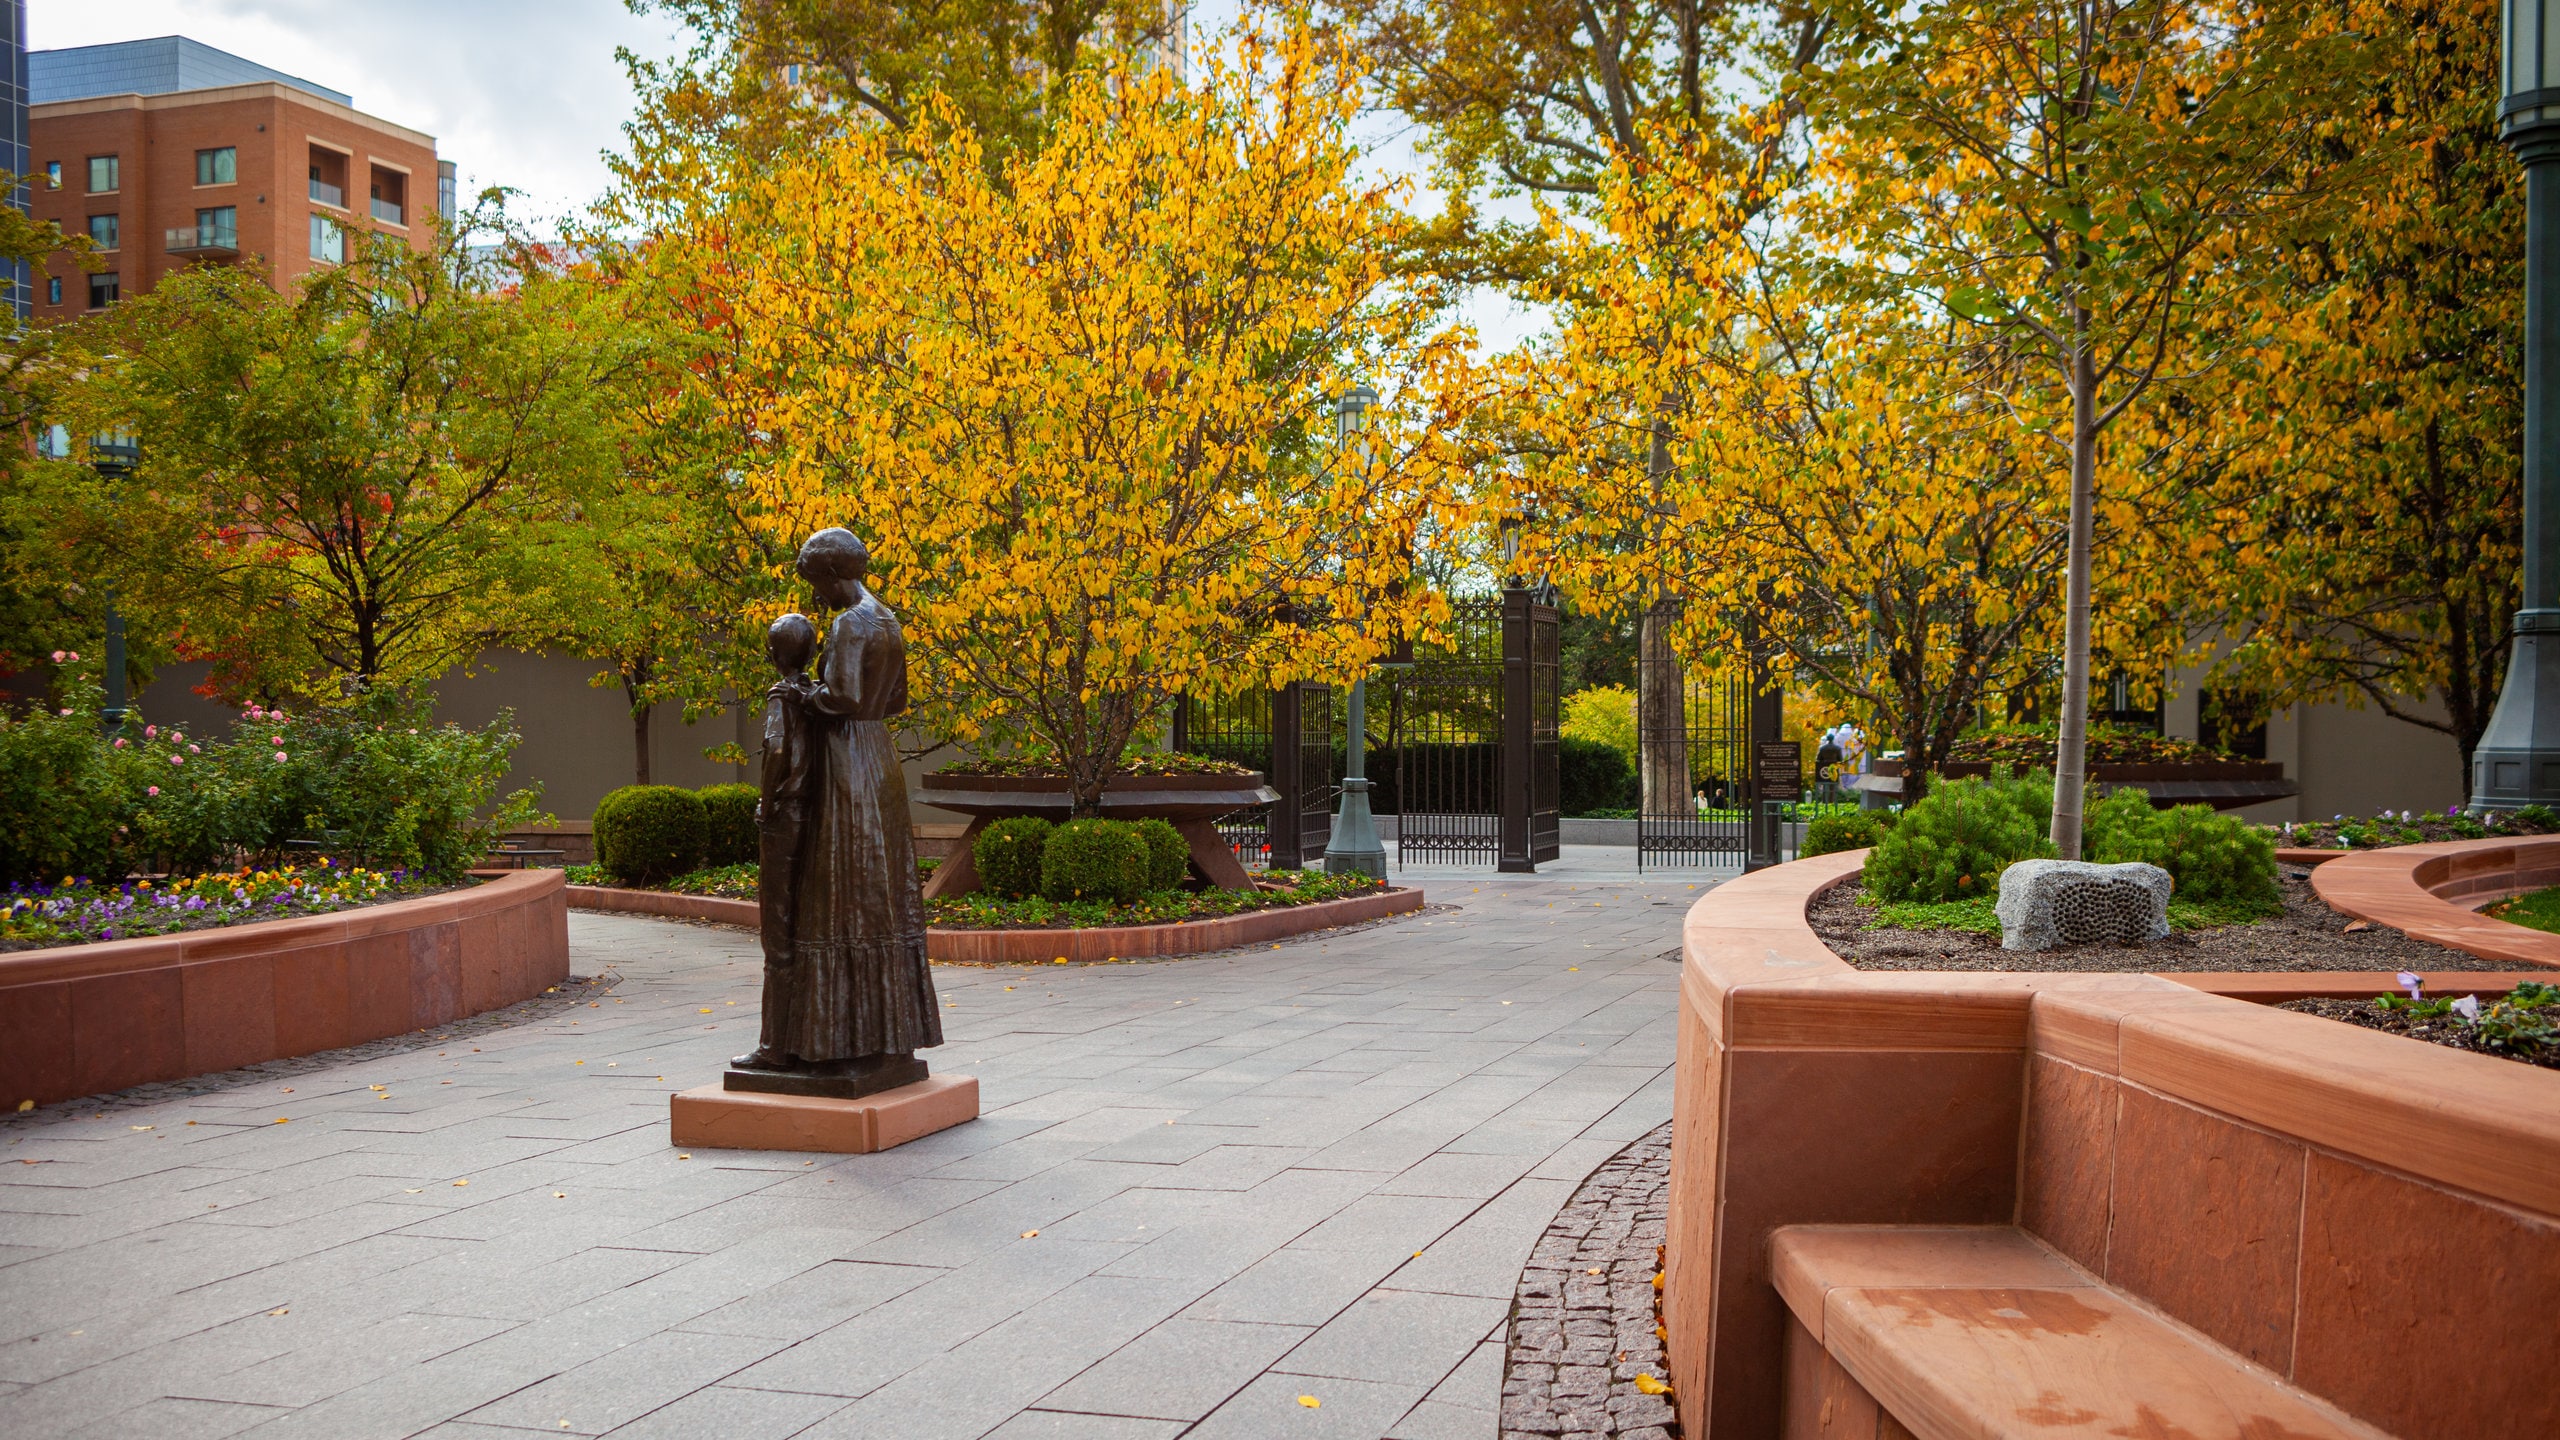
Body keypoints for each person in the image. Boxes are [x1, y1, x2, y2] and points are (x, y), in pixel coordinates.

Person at [733, 528, 944, 1093]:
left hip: (848, 760)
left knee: (840, 899)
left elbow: (842, 698)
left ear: (830, 575)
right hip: (880, 758)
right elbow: (896, 698)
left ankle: (841, 1044)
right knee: (878, 900)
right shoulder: (889, 617)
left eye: (817, 583)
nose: (819, 595)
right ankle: (883, 1041)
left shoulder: (850, 622)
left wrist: (804, 695)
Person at [736, 612, 818, 1072]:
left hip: (785, 815)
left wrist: (766, 802)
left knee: (778, 931)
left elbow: (779, 749)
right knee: (802, 927)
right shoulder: (814, 696)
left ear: (772, 655)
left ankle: (775, 1045)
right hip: (812, 814)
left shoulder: (782, 697)